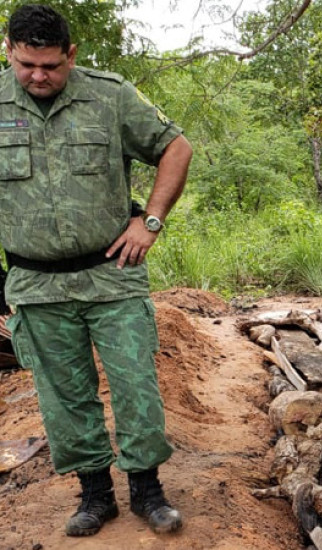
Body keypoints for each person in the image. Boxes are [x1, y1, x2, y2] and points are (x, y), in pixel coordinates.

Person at [0, 4, 193, 536]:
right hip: (35, 283)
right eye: (26, 65)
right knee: (63, 397)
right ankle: (95, 495)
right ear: (9, 51)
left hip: (112, 274)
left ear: (71, 55)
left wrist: (150, 223)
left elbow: (176, 148)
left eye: (50, 66)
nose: (38, 76)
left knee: (136, 385)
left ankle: (148, 491)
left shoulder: (109, 96)